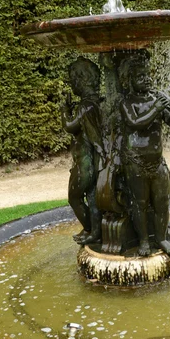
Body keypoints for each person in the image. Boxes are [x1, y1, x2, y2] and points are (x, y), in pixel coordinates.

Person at [119, 51, 170, 257]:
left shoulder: (157, 98)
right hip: (136, 162)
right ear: (130, 81)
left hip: (157, 161)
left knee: (162, 200)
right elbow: (136, 123)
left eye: (147, 75)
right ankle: (144, 241)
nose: (146, 79)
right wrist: (157, 107)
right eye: (140, 76)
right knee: (139, 203)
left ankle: (162, 238)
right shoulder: (127, 103)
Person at [61, 57, 104, 245]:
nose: (72, 85)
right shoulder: (97, 102)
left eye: (73, 80)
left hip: (85, 162)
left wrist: (64, 110)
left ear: (81, 80)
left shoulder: (85, 106)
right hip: (93, 160)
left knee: (74, 197)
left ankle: (90, 229)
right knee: (93, 197)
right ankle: (96, 232)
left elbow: (70, 126)